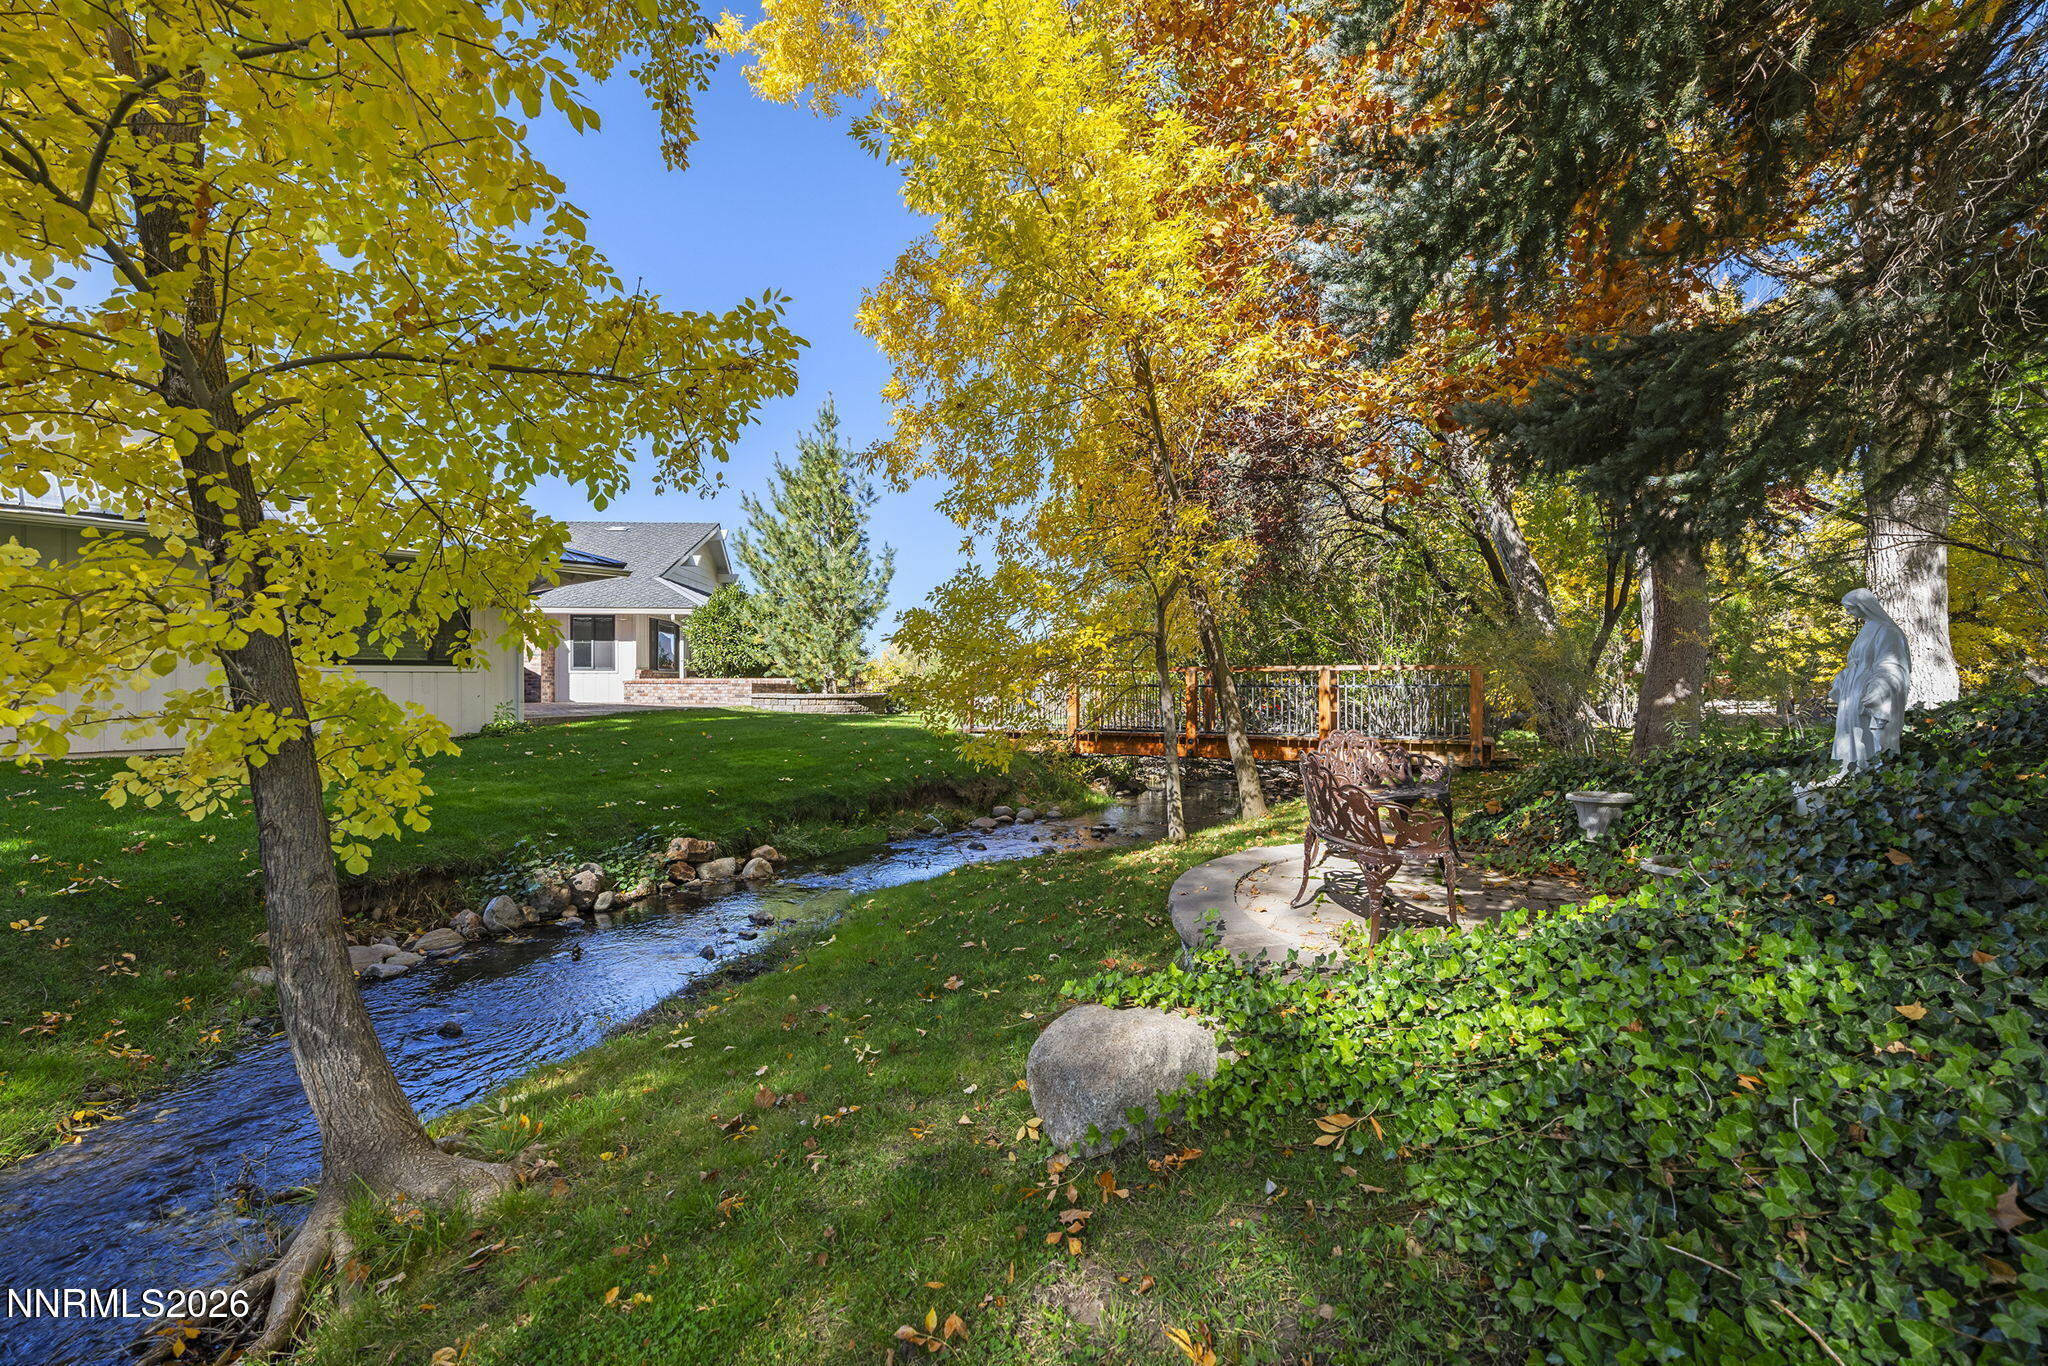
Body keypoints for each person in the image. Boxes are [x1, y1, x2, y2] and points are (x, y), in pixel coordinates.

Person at [1830, 587, 1912, 770]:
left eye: (1851, 608)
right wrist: (1842, 677)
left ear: (1864, 606)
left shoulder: (1888, 630)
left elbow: (1892, 664)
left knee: (1864, 735)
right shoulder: (1867, 628)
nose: (1849, 613)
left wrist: (1879, 688)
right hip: (1852, 691)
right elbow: (1855, 663)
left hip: (1867, 689)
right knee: (1849, 733)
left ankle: (1867, 775)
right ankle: (1848, 772)